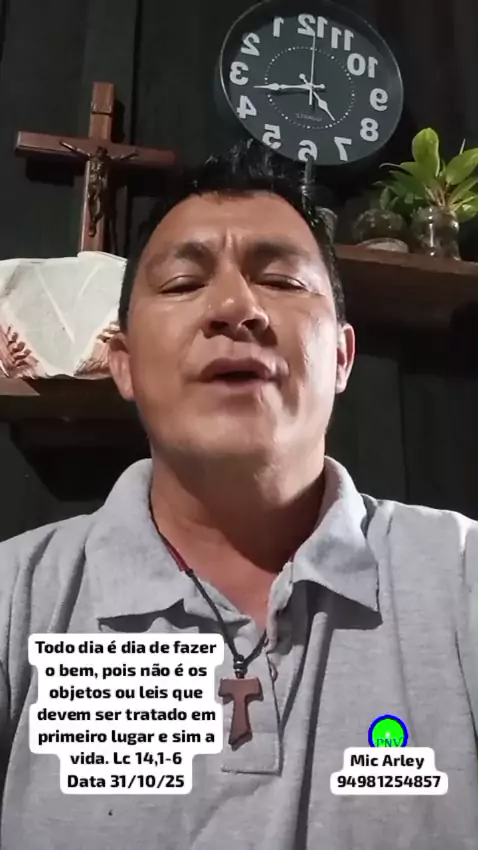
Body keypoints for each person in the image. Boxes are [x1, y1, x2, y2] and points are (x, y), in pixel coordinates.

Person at [0, 140, 477, 850]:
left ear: (341, 357)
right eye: (183, 284)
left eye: (280, 280)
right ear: (122, 363)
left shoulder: (462, 576)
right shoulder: (15, 598)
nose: (234, 307)